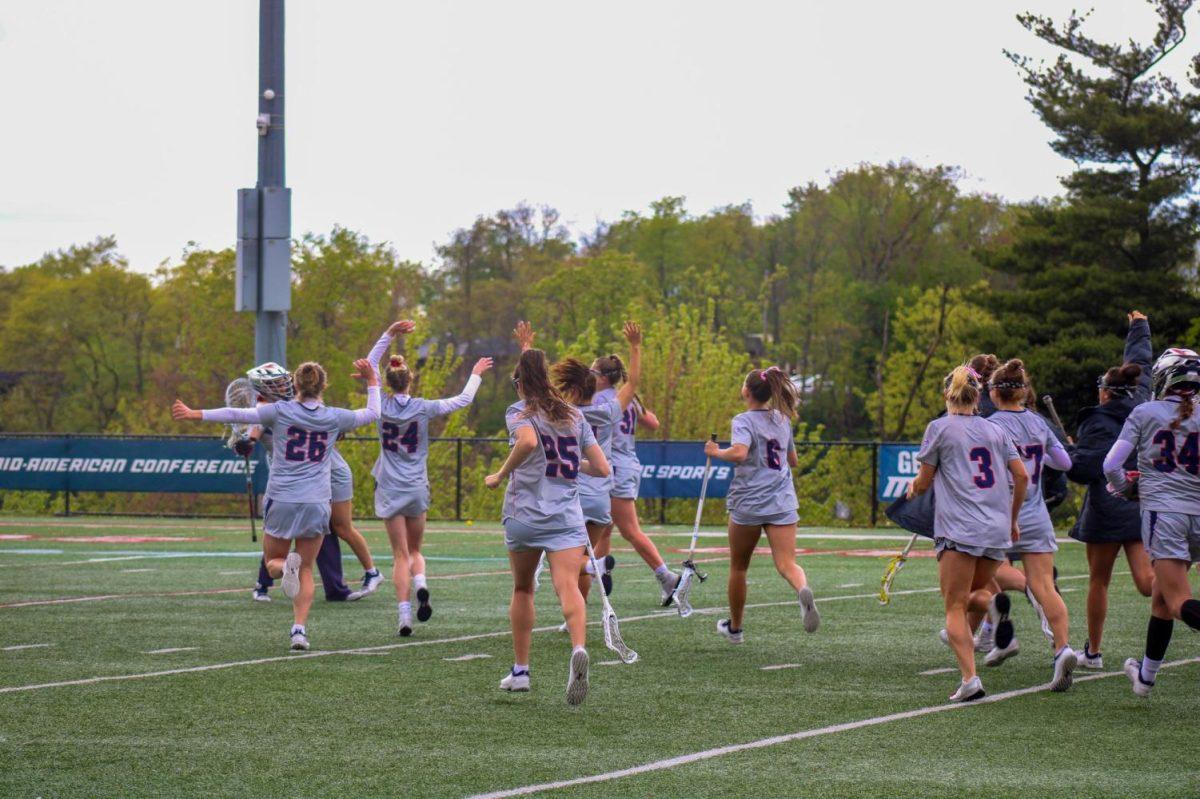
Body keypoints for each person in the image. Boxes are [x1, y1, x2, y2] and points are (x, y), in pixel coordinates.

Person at [173, 357, 381, 651]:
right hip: (317, 501)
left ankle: (285, 569)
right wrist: (372, 379)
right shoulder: (335, 416)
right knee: (307, 569)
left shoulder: (277, 411)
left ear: (294, 384)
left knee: (274, 565)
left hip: (282, 497)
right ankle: (299, 630)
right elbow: (373, 412)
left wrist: (194, 413)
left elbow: (237, 413)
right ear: (323, 386)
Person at [485, 340, 609, 706]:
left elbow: (525, 442)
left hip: (525, 514)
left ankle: (521, 671)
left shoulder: (519, 411)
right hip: (566, 516)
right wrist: (573, 465)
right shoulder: (575, 415)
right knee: (568, 585)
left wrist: (500, 473)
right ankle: (578, 648)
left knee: (524, 588)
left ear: (521, 383)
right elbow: (602, 469)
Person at [908, 365, 1027, 702]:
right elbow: (1021, 477)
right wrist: (1013, 518)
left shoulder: (939, 428)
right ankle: (993, 603)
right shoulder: (996, 431)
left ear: (948, 394)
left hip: (959, 528)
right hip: (994, 528)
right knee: (975, 592)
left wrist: (913, 488)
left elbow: (925, 479)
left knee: (954, 606)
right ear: (977, 396)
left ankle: (970, 679)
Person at [373, 331, 493, 635]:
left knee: (399, 554)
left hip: (389, 485)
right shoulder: (423, 407)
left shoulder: (379, 406)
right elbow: (464, 399)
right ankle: (421, 584)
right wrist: (475, 374)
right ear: (410, 380)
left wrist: (389, 333)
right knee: (415, 551)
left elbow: (371, 363)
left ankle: (404, 617)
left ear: (387, 382)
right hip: (415, 485)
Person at [1105, 348, 1200, 698]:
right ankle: (1145, 677)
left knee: (1177, 601)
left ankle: (1145, 676)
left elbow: (1110, 466)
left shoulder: (1145, 412)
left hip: (1166, 515)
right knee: (1161, 596)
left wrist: (1128, 489)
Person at [704, 366, 819, 644]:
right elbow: (793, 460)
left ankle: (736, 628)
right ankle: (802, 588)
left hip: (749, 502)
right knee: (787, 563)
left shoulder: (743, 420)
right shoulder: (782, 419)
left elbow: (740, 452)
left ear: (746, 391)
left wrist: (715, 451)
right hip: (781, 500)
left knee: (739, 567)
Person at [1067, 311, 1155, 669]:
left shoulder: (1098, 419)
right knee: (1149, 583)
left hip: (1106, 507)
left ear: (1104, 393)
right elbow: (1140, 362)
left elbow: (1085, 469)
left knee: (1098, 581)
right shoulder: (1144, 402)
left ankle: (1094, 652)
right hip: (1140, 502)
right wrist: (1140, 326)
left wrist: (1070, 448)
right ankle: (1183, 598)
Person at [984, 359, 1077, 690]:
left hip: (1000, 514)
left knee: (988, 574)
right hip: (1036, 513)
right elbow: (1064, 462)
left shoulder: (990, 425)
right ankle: (1063, 647)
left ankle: (991, 630)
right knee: (1045, 586)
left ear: (994, 392)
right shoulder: (1039, 423)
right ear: (1024, 391)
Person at [546, 322, 643, 605]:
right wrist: (635, 346)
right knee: (584, 553)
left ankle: (590, 570)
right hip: (601, 499)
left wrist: (527, 351)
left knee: (561, 559)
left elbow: (539, 391)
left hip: (571, 497)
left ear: (573, 390)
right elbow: (632, 383)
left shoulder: (565, 412)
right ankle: (581, 606)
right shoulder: (609, 411)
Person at [591, 353, 681, 604]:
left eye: (593, 373)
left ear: (603, 378)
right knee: (603, 530)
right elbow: (652, 422)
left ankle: (666, 577)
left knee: (629, 530)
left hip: (614, 466)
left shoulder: (600, 398)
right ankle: (599, 577)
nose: (589, 376)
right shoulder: (627, 398)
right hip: (627, 463)